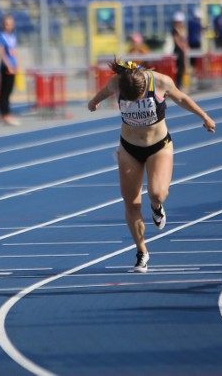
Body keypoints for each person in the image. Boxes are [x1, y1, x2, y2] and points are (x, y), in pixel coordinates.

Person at [88, 59, 215, 272]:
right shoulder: (117, 83)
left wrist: (204, 117)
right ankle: (141, 252)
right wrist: (93, 103)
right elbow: (102, 93)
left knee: (157, 194)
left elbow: (182, 98)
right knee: (132, 203)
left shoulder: (161, 82)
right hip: (128, 148)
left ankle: (157, 207)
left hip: (159, 146)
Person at [0, 14, 20, 126]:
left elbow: (14, 51)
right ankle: (5, 114)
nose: (8, 26)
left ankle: (5, 114)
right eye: (6, 24)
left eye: (10, 24)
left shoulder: (12, 36)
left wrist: (17, 64)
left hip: (13, 67)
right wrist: (8, 65)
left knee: (9, 91)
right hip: (6, 67)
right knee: (5, 92)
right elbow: (1, 52)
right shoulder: (1, 36)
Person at [171, 11, 187, 88]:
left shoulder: (182, 30)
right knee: (179, 68)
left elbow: (185, 39)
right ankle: (178, 84)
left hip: (182, 51)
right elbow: (177, 41)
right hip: (178, 51)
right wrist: (183, 48)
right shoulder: (175, 30)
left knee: (182, 67)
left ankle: (180, 83)